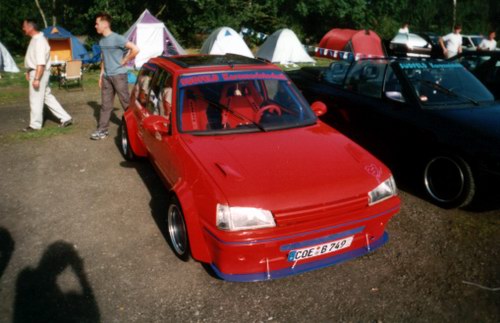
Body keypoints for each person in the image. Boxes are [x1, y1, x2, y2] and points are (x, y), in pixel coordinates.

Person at [90, 12, 139, 140]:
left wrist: (125, 60)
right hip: (107, 76)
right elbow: (103, 58)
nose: (95, 26)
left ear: (105, 24)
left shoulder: (117, 38)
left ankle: (136, 128)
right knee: (106, 105)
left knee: (126, 103)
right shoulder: (102, 41)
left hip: (119, 76)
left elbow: (135, 49)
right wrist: (101, 74)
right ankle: (102, 130)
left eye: (97, 23)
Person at [22, 19, 72, 132]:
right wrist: (28, 71)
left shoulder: (39, 41)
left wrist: (36, 78)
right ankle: (66, 118)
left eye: (24, 26)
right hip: (36, 71)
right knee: (47, 97)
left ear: (30, 27)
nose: (23, 28)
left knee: (35, 99)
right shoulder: (36, 39)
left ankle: (35, 125)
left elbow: (41, 63)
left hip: (39, 72)